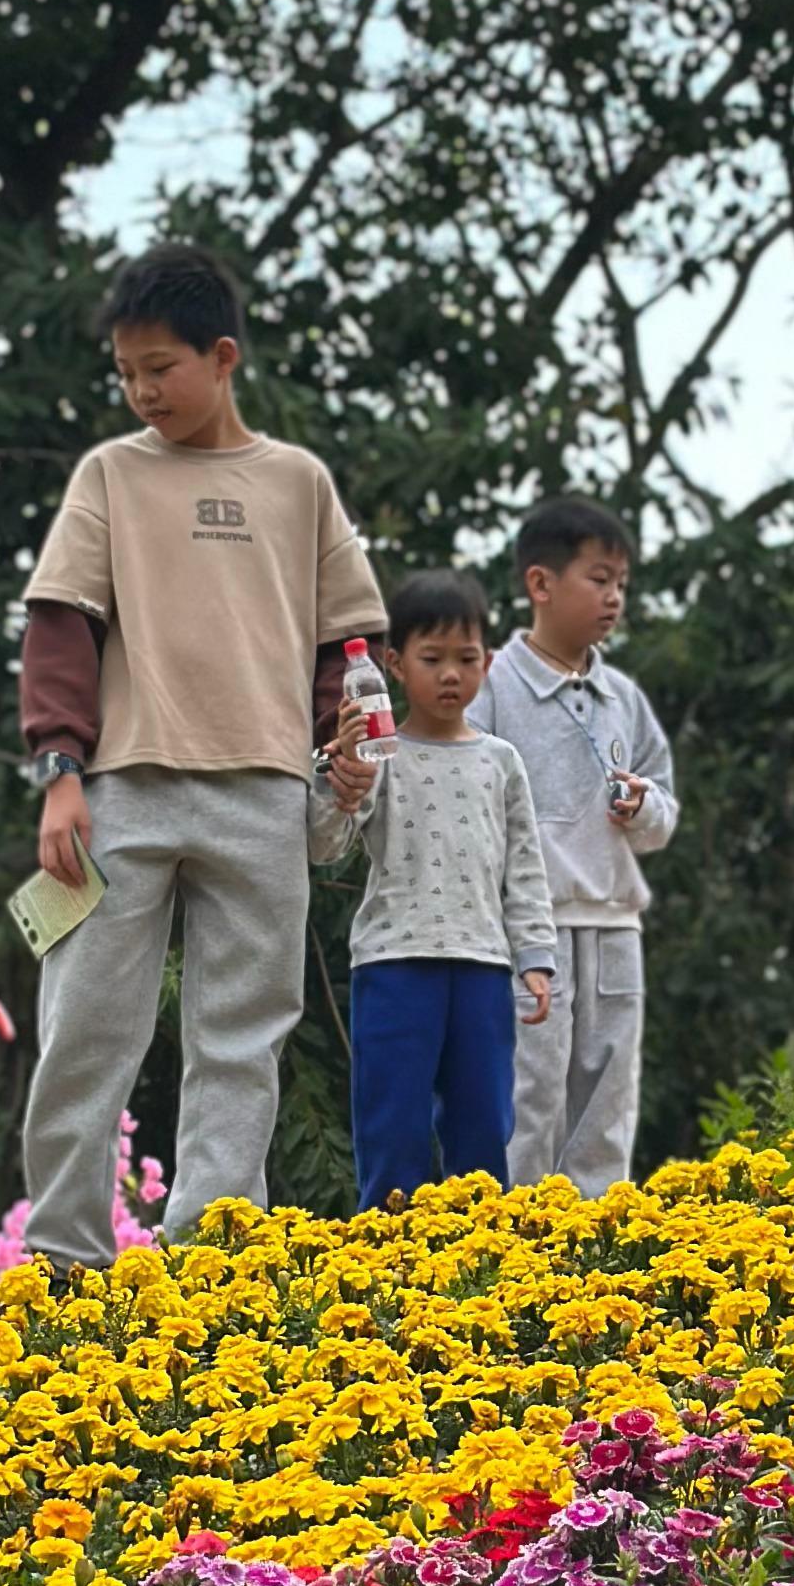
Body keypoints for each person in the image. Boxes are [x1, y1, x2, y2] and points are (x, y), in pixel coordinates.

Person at [15, 240, 388, 1271]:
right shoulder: (110, 475)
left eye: (160, 368)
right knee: (85, 1029)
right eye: (125, 372)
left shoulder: (298, 483)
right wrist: (59, 773)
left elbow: (348, 649)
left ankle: (211, 1261)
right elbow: (60, 627)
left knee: (243, 1037)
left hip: (265, 791)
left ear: (223, 357)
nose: (141, 392)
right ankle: (62, 1261)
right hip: (120, 792)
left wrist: (346, 751)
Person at [308, 569, 555, 1209]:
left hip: (482, 966)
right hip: (393, 964)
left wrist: (535, 956)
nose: (451, 675)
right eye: (432, 658)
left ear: (487, 663)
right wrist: (340, 772)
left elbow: (525, 867)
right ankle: (385, 1251)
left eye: (466, 659)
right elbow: (325, 845)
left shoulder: (502, 761)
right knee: (392, 1125)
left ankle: (485, 1254)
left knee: (484, 1126)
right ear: (393, 665)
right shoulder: (378, 755)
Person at [481, 493, 677, 1197]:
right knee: (529, 1097)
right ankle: (513, 1237)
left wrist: (644, 806)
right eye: (599, 579)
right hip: (529, 934)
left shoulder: (623, 696)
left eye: (621, 582)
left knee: (608, 1105)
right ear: (541, 583)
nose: (614, 597)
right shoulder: (492, 684)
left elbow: (664, 811)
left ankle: (595, 1244)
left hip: (617, 924)